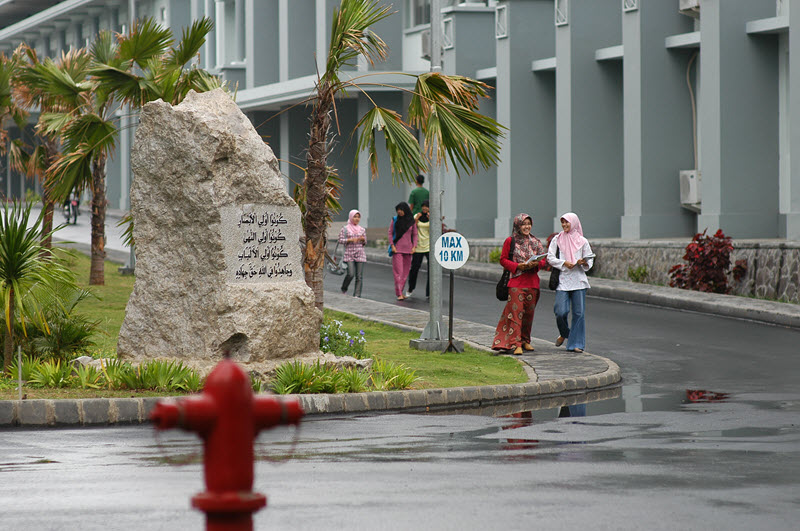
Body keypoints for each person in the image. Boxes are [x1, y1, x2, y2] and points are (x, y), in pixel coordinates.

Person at [492, 213, 547, 355]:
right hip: (516, 282)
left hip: (533, 282)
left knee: (529, 313)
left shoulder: (536, 242)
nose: (526, 226)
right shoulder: (510, 241)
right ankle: (516, 344)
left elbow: (543, 260)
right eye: (523, 224)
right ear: (518, 225)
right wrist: (518, 266)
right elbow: (503, 260)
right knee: (516, 313)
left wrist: (535, 264)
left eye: (528, 224)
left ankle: (525, 341)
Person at [547, 212, 594, 353]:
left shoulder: (583, 241)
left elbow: (590, 259)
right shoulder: (557, 239)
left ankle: (577, 344)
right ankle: (565, 333)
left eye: (567, 222)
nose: (564, 225)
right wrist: (563, 263)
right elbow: (550, 257)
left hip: (579, 281)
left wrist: (584, 262)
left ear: (573, 223)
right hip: (563, 281)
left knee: (579, 314)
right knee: (561, 311)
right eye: (562, 222)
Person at [389, 202, 417, 301]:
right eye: (398, 210)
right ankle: (399, 293)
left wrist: (414, 246)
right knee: (398, 272)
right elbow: (390, 233)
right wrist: (392, 245)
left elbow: (415, 234)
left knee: (405, 273)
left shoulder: (411, 221)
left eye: (401, 210)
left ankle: (401, 291)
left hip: (408, 250)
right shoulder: (395, 220)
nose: (399, 212)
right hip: (397, 250)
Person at [338, 209, 367, 297]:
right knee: (350, 274)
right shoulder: (345, 229)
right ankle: (344, 287)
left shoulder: (362, 229)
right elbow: (340, 240)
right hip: (349, 253)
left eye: (358, 217)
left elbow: (365, 242)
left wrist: (363, 240)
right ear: (351, 217)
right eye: (355, 217)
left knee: (359, 276)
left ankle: (357, 295)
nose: (356, 219)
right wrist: (349, 240)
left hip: (360, 253)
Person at [406, 200, 430, 299]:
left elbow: (436, 230)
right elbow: (411, 229)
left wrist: (431, 219)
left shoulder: (432, 217)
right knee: (415, 268)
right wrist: (416, 221)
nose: (425, 208)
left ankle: (429, 292)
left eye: (427, 207)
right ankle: (411, 288)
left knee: (432, 270)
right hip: (418, 246)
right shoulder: (417, 215)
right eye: (423, 206)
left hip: (429, 246)